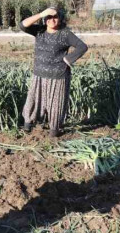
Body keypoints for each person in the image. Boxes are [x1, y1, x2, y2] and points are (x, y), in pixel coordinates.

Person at [19, 7, 88, 137]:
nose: (52, 20)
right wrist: (41, 14)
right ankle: (28, 125)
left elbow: (82, 46)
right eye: (49, 17)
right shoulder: (39, 31)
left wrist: (69, 59)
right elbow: (22, 25)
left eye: (55, 17)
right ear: (45, 19)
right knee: (33, 101)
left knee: (55, 105)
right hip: (39, 75)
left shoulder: (65, 34)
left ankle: (53, 131)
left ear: (60, 19)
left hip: (58, 75)